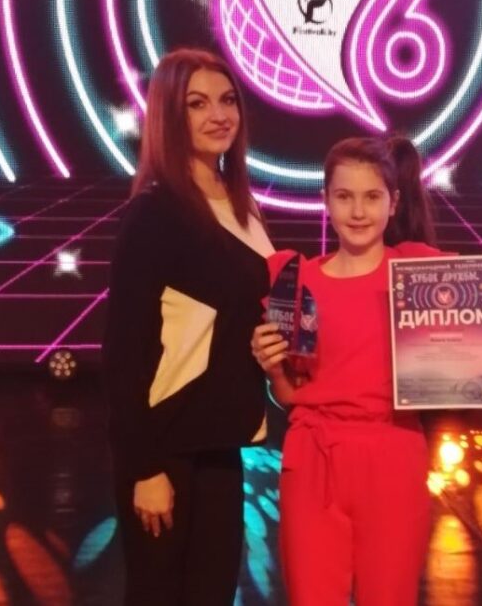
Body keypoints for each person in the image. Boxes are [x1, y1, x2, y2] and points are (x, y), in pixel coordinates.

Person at [252, 137, 482, 605]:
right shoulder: (296, 282)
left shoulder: (420, 275)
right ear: (325, 200)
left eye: (371, 197)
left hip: (393, 453)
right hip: (313, 461)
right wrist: (272, 369)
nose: (358, 211)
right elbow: (290, 396)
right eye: (344, 196)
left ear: (393, 202)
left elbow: (469, 351)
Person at [102, 48, 274, 605]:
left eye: (227, 101)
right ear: (169, 116)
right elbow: (123, 353)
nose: (218, 115)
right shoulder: (154, 213)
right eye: (197, 104)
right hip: (164, 447)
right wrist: (143, 468)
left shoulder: (245, 208)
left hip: (222, 443)